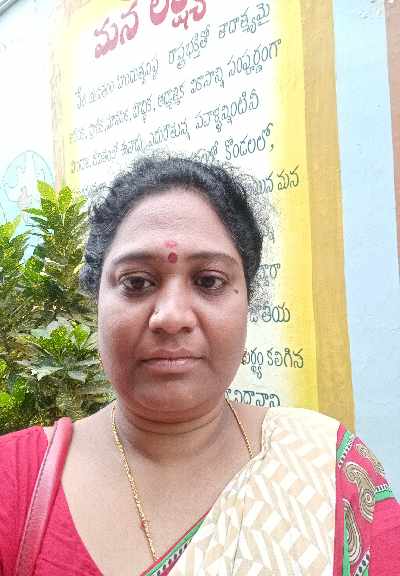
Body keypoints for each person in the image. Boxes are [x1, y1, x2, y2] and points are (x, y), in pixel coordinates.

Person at [0, 155, 399, 576]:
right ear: (95, 298)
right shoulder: (13, 482)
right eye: (136, 282)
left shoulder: (327, 469)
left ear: (248, 300)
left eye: (209, 281)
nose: (171, 317)